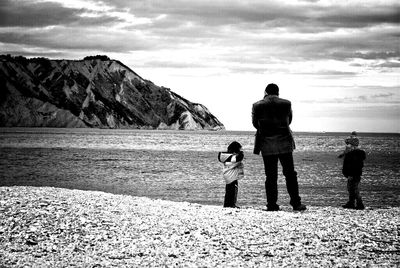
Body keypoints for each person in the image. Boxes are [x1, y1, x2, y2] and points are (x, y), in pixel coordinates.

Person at [252, 83, 306, 211]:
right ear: (278, 92)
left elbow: (255, 124)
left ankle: (272, 204)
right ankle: (296, 203)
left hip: (267, 144)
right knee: (290, 174)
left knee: (271, 176)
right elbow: (289, 121)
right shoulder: (286, 103)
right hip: (284, 143)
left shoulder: (257, 105)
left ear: (266, 92)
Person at [340, 135, 366, 210]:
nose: (347, 146)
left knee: (354, 189)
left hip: (354, 174)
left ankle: (359, 203)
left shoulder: (354, 154)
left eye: (349, 144)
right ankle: (351, 203)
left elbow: (354, 166)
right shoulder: (351, 154)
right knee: (350, 188)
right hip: (352, 174)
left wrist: (351, 174)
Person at [218, 141, 244, 208]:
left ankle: (226, 204)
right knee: (233, 191)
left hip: (227, 175)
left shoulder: (225, 158)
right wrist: (240, 153)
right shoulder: (233, 158)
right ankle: (232, 204)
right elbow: (239, 158)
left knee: (228, 191)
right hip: (232, 177)